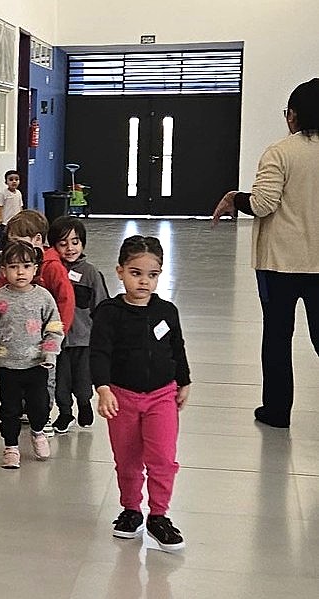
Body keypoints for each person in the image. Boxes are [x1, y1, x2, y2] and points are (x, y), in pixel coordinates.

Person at [212, 78, 319, 428]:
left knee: (277, 336)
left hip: (279, 265)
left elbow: (262, 204)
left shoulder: (280, 152)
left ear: (293, 115)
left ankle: (277, 410)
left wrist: (234, 198)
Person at [90, 235, 190, 552]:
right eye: (136, 273)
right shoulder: (108, 312)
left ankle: (159, 515)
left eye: (152, 275)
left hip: (162, 396)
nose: (144, 281)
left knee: (162, 458)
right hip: (122, 398)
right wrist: (103, 388)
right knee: (128, 459)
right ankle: (131, 509)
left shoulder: (167, 311)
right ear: (120, 271)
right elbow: (99, 353)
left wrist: (184, 381)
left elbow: (177, 347)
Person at [0, 209, 76, 435]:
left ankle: (43, 416)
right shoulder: (13, 266)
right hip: (17, 338)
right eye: (11, 241)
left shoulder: (52, 266)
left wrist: (57, 335)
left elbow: (65, 300)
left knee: (45, 378)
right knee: (17, 373)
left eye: (18, 240)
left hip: (45, 338)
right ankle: (19, 409)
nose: (13, 246)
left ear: (37, 239)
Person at [0, 241, 64, 469]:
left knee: (39, 405)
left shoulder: (43, 297)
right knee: (10, 409)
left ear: (35, 269)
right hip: (7, 365)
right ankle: (11, 446)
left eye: (26, 266)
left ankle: (38, 432)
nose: (20, 272)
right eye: (14, 267)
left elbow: (54, 327)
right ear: (4, 271)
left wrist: (50, 353)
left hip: (37, 364)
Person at [48, 216, 109, 433]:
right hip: (58, 340)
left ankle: (84, 403)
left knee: (83, 381)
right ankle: (65, 413)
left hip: (84, 340)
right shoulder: (52, 270)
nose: (70, 248)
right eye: (63, 243)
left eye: (75, 242)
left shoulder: (91, 273)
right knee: (60, 382)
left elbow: (101, 305)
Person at [0, 170, 23, 251]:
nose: (14, 181)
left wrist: (21, 218)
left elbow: (20, 206)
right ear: (6, 182)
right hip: (5, 223)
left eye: (16, 179)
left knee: (14, 241)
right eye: (11, 179)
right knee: (2, 241)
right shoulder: (3, 193)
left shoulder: (18, 193)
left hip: (15, 223)